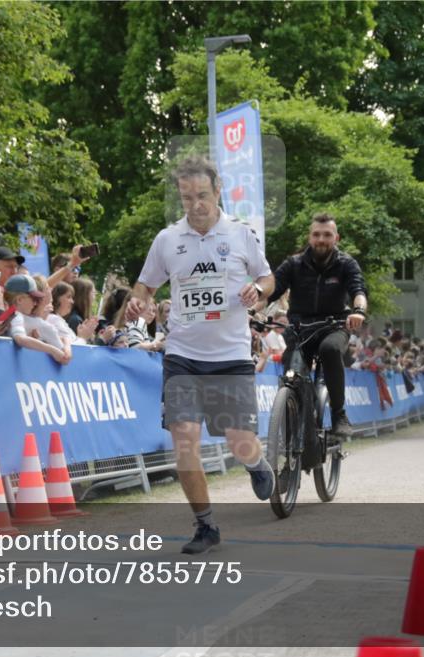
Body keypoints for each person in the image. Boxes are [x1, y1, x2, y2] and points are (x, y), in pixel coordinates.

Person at [125, 155, 275, 555]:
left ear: (218, 190)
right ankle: (205, 526)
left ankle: (257, 464)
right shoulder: (167, 240)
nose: (196, 204)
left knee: (239, 441)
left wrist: (258, 292)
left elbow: (267, 277)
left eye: (203, 195)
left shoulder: (242, 235)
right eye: (187, 197)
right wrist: (138, 303)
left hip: (231, 356)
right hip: (183, 355)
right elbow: (144, 287)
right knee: (185, 441)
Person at [262, 212, 368, 438]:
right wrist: (253, 308)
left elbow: (358, 292)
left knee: (329, 350)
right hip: (300, 329)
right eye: (317, 235)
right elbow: (272, 291)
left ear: (336, 238)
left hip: (335, 326)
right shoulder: (294, 264)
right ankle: (297, 419)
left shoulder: (346, 264)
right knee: (293, 376)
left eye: (327, 235)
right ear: (310, 237)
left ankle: (339, 414)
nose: (321, 239)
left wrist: (358, 311)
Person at [5, 274, 71, 364]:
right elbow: (65, 359)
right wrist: (55, 349)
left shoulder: (5, 313)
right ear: (19, 300)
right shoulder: (17, 316)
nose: (35, 303)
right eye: (33, 298)